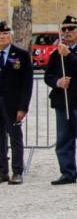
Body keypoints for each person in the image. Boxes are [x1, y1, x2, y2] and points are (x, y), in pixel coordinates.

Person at [44, 15, 77, 186]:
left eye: (70, 29)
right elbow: (48, 76)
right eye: (64, 29)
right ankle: (67, 172)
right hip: (63, 101)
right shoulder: (56, 53)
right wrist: (58, 82)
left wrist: (70, 55)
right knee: (63, 140)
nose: (67, 32)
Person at [0, 20, 32, 184]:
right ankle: (2, 171)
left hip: (13, 104)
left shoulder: (20, 55)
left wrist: (23, 107)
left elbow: (27, 83)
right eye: (0, 34)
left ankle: (17, 171)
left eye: (5, 33)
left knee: (15, 138)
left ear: (10, 36)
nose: (2, 37)